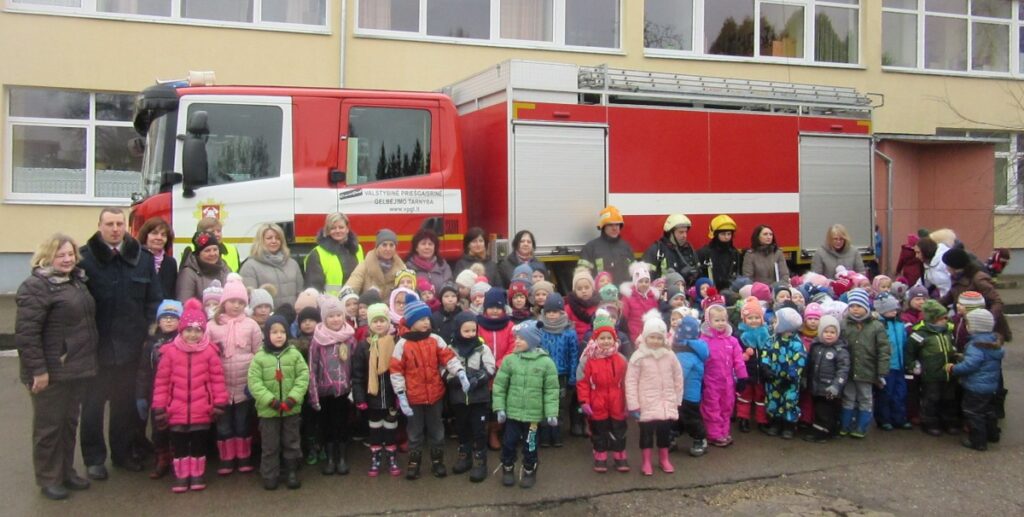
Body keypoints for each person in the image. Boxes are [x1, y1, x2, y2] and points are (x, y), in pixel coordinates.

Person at [78, 207, 161, 479]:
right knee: (92, 407)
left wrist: (150, 332)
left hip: (131, 347)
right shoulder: (85, 260)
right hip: (96, 349)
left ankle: (122, 455)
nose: (115, 229)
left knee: (123, 407)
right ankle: (94, 459)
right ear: (99, 226)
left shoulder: (142, 259)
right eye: (109, 224)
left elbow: (153, 300)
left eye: (119, 223)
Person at [16, 233, 98, 500]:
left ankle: (66, 472)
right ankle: (48, 478)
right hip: (49, 371)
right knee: (49, 427)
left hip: (74, 367)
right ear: (47, 256)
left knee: (68, 423)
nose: (67, 259)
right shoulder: (36, 286)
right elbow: (27, 334)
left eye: (70, 254)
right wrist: (38, 371)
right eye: (61, 255)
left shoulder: (75, 282)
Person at [150, 299, 228, 493]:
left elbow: (217, 380)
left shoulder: (210, 352)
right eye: (188, 330)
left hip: (202, 409)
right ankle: (182, 476)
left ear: (203, 332)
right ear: (181, 330)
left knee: (198, 444)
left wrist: (219, 403)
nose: (193, 335)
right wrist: (159, 407)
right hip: (176, 410)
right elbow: (161, 383)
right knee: (180, 445)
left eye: (197, 331)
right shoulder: (169, 353)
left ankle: (197, 474)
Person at [391, 300, 468, 480]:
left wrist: (459, 372)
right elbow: (396, 370)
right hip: (413, 397)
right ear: (411, 322)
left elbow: (448, 358)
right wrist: (401, 394)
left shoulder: (435, 339)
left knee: (437, 430)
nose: (426, 322)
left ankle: (437, 461)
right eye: (421, 319)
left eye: (427, 318)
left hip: (435, 395)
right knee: (415, 432)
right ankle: (414, 462)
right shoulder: (402, 344)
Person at [206, 273, 263, 476]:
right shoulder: (212, 326)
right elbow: (207, 354)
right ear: (224, 302)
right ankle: (227, 459)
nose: (236, 306)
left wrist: (254, 381)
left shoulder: (251, 325)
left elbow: (258, 354)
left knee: (242, 423)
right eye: (232, 301)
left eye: (241, 302)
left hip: (243, 387)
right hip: (221, 387)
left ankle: (244, 456)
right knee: (223, 426)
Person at [492, 321, 560, 489]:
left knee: (530, 445)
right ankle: (507, 467)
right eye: (517, 338)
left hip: (533, 418)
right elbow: (499, 385)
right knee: (509, 442)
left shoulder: (546, 363)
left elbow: (551, 390)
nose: (517, 341)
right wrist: (499, 408)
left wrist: (552, 412)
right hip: (512, 414)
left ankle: (529, 469)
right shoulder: (510, 361)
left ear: (533, 340)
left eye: (522, 338)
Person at [247, 315, 310, 490]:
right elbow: (255, 383)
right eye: (274, 332)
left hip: (291, 409)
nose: (279, 335)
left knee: (291, 441)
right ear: (267, 334)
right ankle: (269, 473)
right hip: (269, 411)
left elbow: (303, 377)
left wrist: (292, 398)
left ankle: (291, 471)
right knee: (270, 444)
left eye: (282, 332)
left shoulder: (294, 354)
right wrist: (271, 401)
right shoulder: (259, 357)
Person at [625, 313, 684, 476]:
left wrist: (677, 399)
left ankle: (664, 459)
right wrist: (633, 405)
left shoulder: (670, 355)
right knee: (646, 434)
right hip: (646, 404)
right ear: (645, 337)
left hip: (666, 403)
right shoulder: (638, 357)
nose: (656, 341)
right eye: (652, 337)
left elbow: (678, 377)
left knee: (664, 433)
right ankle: (646, 461)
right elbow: (630, 381)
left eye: (659, 338)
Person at [307, 296, 357, 476]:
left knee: (342, 423)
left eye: (338, 315)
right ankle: (329, 458)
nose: (335, 319)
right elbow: (311, 369)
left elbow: (355, 366)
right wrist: (313, 395)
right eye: (331, 316)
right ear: (324, 318)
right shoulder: (317, 341)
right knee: (326, 424)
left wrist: (354, 389)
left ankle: (342, 457)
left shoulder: (349, 338)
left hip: (344, 391)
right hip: (324, 392)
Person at [352, 303, 402, 477]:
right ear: (369, 324)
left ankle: (391, 455)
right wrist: (360, 398)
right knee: (374, 428)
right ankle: (376, 456)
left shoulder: (395, 344)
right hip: (371, 397)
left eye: (382, 321)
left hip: (390, 396)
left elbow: (400, 371)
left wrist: (399, 395)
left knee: (390, 427)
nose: (379, 325)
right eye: (375, 322)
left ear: (388, 322)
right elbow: (357, 375)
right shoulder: (363, 346)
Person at [444, 312, 496, 482]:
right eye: (466, 331)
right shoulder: (451, 349)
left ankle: (480, 462)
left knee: (479, 429)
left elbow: (490, 367)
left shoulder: (482, 348)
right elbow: (444, 369)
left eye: (473, 330)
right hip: (459, 398)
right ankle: (464, 456)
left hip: (479, 398)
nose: (470, 334)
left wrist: (476, 380)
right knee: (462, 428)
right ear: (458, 330)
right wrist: (456, 379)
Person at [577, 313, 630, 472]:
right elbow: (583, 382)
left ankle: (620, 455)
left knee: (619, 429)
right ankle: (600, 456)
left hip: (617, 400)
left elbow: (627, 381)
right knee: (599, 430)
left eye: (609, 338)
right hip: (597, 400)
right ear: (595, 340)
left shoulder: (621, 359)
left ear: (615, 340)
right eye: (602, 338)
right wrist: (584, 401)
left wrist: (629, 402)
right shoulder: (588, 360)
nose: (606, 341)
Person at [135, 300, 182, 480]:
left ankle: (178, 460)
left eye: (173, 318)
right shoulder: (151, 344)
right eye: (165, 318)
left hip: (178, 393)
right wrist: (141, 395)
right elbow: (143, 372)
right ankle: (162, 459)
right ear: (158, 321)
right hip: (157, 394)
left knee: (177, 430)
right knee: (159, 429)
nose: (169, 321)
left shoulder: (184, 340)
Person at [949, 309, 1004, 451]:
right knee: (988, 411)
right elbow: (984, 360)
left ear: (973, 326)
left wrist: (954, 368)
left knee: (973, 413)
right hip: (990, 386)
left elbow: (970, 365)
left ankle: (978, 441)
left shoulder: (975, 345)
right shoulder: (993, 341)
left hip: (976, 387)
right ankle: (992, 434)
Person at [838, 289, 890, 439]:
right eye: (852, 305)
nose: (855, 309)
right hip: (848, 370)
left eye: (859, 306)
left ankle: (861, 426)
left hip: (867, 370)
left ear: (866, 306)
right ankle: (845, 424)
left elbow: (884, 350)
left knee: (865, 398)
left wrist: (881, 371)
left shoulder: (876, 326)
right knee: (848, 397)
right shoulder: (844, 324)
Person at [907, 300, 959, 437]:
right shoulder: (919, 333)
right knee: (931, 399)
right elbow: (910, 352)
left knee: (949, 398)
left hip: (948, 373)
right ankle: (930, 423)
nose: (946, 320)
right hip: (931, 374)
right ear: (934, 319)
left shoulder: (948, 331)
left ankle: (948, 421)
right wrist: (913, 365)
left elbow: (952, 346)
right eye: (942, 318)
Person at [940, 247, 1012, 342]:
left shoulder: (978, 279)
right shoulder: (956, 277)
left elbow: (997, 301)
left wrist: (988, 319)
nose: (946, 268)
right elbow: (949, 297)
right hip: (967, 323)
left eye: (947, 265)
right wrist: (931, 306)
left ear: (954, 266)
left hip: (984, 328)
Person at [700, 304, 747, 446]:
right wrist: (700, 380)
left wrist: (742, 376)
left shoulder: (732, 341)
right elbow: (700, 362)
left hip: (728, 382)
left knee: (727, 406)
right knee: (712, 407)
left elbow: (738, 360)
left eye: (723, 320)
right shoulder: (704, 341)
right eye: (717, 320)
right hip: (710, 381)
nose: (721, 323)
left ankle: (724, 432)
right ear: (709, 322)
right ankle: (714, 434)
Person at [537, 293, 579, 447]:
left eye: (555, 312)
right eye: (548, 312)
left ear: (562, 312)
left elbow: (574, 354)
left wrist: (573, 376)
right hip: (543, 374)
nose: (552, 315)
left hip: (562, 375)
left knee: (559, 404)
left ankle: (556, 432)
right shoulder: (539, 330)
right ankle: (545, 433)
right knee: (543, 402)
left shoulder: (569, 332)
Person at [803, 315, 850, 443]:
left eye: (832, 332)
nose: (829, 335)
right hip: (816, 385)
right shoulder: (816, 345)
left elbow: (843, 370)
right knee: (820, 408)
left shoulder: (840, 350)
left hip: (830, 388)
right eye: (826, 332)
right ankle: (830, 430)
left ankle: (821, 433)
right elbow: (809, 364)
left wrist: (836, 385)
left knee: (825, 410)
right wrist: (804, 378)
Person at [762, 307, 806, 440]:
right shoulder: (772, 339)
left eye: (776, 322)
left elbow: (799, 362)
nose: (773, 324)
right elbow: (766, 353)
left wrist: (791, 377)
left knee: (789, 402)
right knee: (773, 400)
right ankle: (775, 423)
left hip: (790, 382)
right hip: (773, 378)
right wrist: (766, 367)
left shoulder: (797, 344)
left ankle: (789, 425)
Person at [240, 223, 304, 308]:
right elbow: (249, 298)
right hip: (264, 318)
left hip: (292, 317)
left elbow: (300, 293)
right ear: (261, 241)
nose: (274, 241)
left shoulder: (293, 264)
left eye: (278, 238)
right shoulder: (250, 267)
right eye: (269, 238)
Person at [672, 315, 709, 457]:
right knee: (677, 416)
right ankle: (673, 434)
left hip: (687, 393)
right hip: (684, 392)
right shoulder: (690, 347)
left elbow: (680, 374)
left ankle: (700, 439)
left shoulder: (686, 351)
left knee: (690, 418)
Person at [873, 294, 911, 431]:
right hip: (887, 366)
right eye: (890, 309)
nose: (894, 311)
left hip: (900, 366)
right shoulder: (879, 325)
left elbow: (905, 343)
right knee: (885, 395)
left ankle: (899, 418)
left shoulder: (900, 324)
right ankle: (884, 419)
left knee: (900, 393)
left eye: (895, 309)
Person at [305, 213, 364, 297]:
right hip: (330, 306)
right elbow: (314, 287)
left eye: (341, 227)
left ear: (347, 229)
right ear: (328, 231)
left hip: (354, 303)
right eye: (333, 228)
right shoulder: (317, 253)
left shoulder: (358, 249)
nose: (337, 231)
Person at [736, 297, 771, 433]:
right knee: (745, 396)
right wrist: (744, 355)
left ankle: (762, 420)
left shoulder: (766, 335)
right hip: (747, 372)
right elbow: (736, 353)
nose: (754, 320)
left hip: (761, 373)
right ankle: (743, 418)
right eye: (750, 318)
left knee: (761, 397)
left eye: (757, 317)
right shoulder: (741, 336)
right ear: (744, 320)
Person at [343, 229, 407, 300]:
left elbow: (409, 291)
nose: (388, 249)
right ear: (377, 247)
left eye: (391, 245)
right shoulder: (364, 266)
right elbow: (350, 289)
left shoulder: (402, 268)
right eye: (384, 245)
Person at [578, 205, 636, 284]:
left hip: (623, 294)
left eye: (617, 224)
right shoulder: (590, 248)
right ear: (603, 227)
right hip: (599, 295)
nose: (615, 228)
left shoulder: (626, 247)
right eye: (610, 225)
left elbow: (634, 274)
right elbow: (583, 277)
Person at [642, 214, 699, 283]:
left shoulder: (689, 250)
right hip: (664, 292)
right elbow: (646, 279)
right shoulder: (657, 250)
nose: (685, 235)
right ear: (670, 233)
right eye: (681, 232)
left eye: (686, 232)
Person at [176, 231, 230, 302]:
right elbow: (184, 302)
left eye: (215, 249)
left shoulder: (224, 269)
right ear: (199, 254)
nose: (212, 253)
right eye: (207, 251)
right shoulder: (189, 273)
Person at [137, 217, 178, 302]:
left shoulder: (171, 263)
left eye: (163, 235)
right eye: (154, 233)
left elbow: (172, 293)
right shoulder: (136, 259)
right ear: (145, 236)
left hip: (165, 312)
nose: (159, 238)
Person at [697, 215, 742, 290]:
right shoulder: (704, 253)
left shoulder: (735, 253)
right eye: (723, 234)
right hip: (710, 291)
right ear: (714, 235)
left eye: (729, 234)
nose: (727, 237)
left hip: (731, 291)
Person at [407, 228, 453, 294]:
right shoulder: (408, 267)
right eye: (423, 244)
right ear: (416, 248)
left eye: (430, 244)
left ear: (435, 248)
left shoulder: (443, 265)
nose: (427, 247)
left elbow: (449, 287)